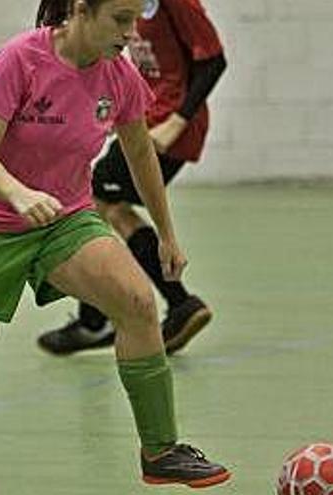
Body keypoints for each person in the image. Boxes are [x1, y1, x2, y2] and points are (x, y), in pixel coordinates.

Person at [0, 0, 230, 489]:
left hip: (65, 221)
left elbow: (140, 151)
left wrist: (166, 232)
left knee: (138, 302)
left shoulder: (118, 76)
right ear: (80, 11)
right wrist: (17, 192)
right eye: (120, 19)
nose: (130, 32)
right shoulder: (20, 59)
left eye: (135, 19)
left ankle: (160, 450)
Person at [38, 0, 227, 356]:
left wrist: (178, 121)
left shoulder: (178, 5)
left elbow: (214, 61)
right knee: (108, 204)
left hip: (170, 125)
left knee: (96, 197)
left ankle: (103, 318)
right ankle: (156, 308)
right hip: (148, 114)